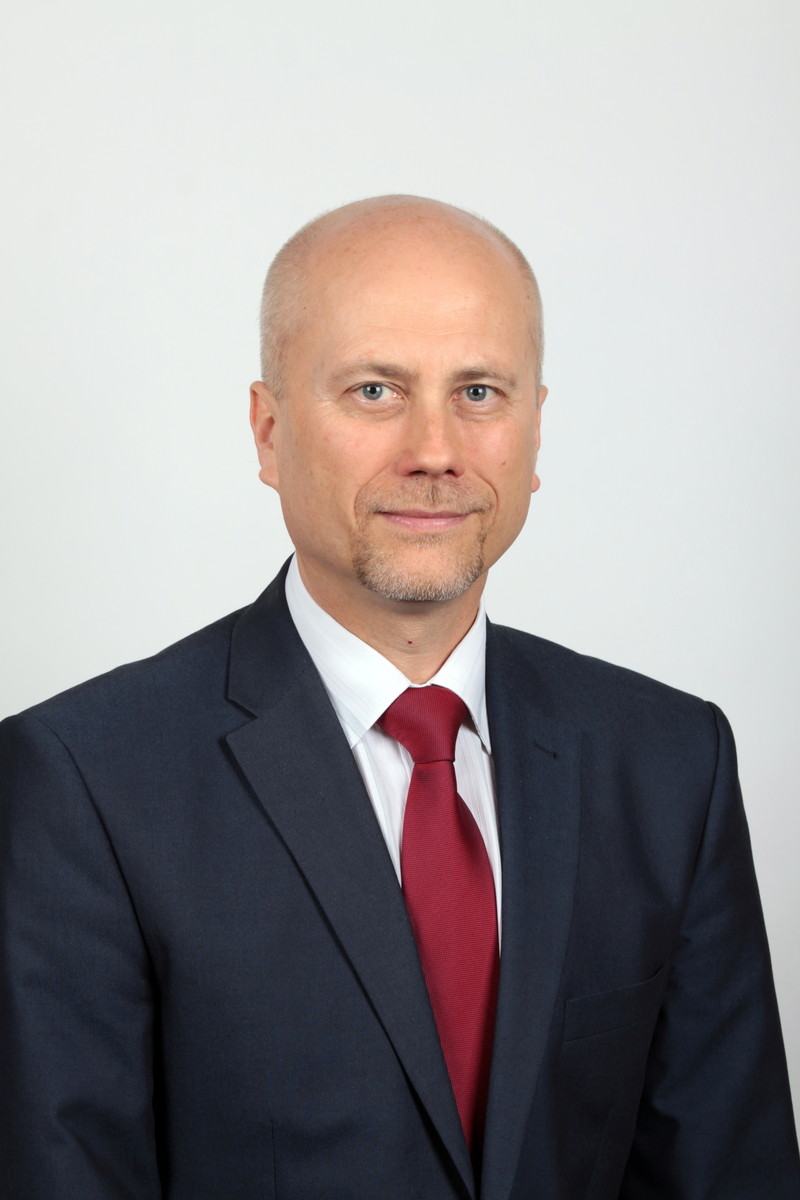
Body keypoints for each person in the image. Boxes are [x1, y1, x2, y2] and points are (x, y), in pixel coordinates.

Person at [1, 195, 798, 1200]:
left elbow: (726, 1172)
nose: (433, 448)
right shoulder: (83, 780)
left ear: (535, 429)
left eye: (478, 391)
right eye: (375, 390)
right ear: (268, 432)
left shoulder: (671, 763)